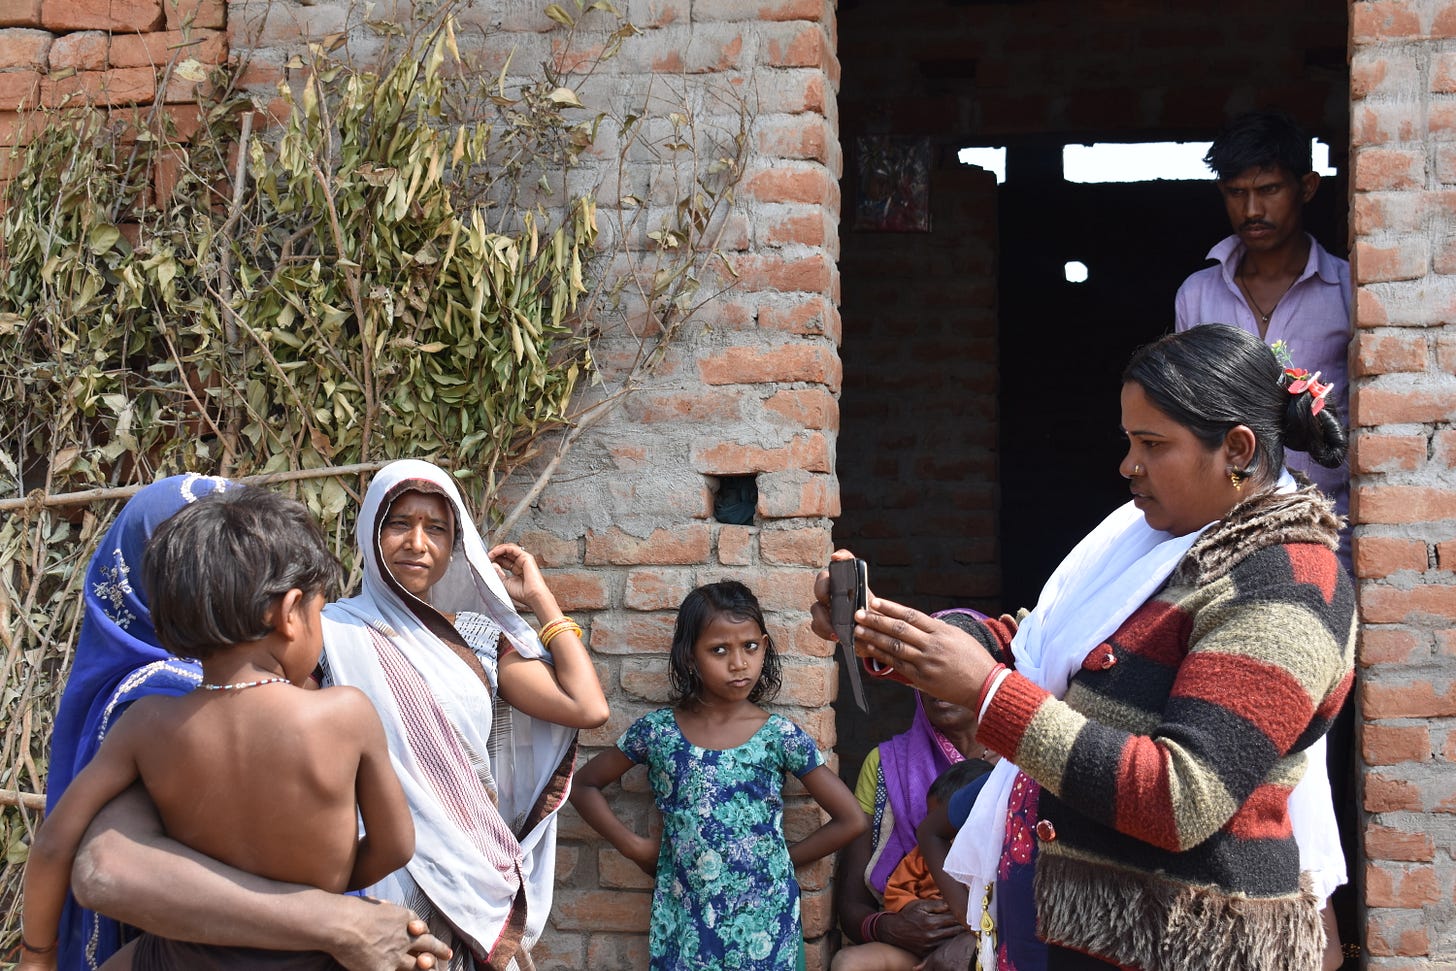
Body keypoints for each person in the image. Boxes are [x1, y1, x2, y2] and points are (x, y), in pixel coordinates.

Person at [813, 324, 1356, 971]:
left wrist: (986, 692)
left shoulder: (1287, 583)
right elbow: (1039, 642)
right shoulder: (1151, 542)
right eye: (1131, 441)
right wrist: (888, 633)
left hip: (1194, 942)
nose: (1129, 465)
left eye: (1152, 444)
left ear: (1236, 448)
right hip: (1092, 927)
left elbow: (1183, 797)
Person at [61, 458, 608, 971]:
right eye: (399, 524)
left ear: (456, 542)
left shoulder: (478, 636)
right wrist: (331, 895)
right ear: (369, 533)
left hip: (475, 866)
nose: (417, 543)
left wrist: (540, 602)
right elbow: (265, 740)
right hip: (383, 882)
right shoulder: (331, 633)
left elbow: (587, 707)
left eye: (436, 529)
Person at [45, 473, 448, 971]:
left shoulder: (145, 722)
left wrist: (37, 956)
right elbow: (396, 845)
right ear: (290, 612)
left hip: (180, 957)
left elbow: (56, 842)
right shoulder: (344, 712)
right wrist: (322, 892)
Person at [569, 580, 867, 970]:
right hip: (686, 920)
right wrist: (633, 846)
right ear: (690, 657)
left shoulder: (778, 737)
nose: (739, 663)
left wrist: (777, 860)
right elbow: (584, 784)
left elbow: (852, 819)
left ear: (764, 645)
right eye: (719, 650)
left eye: (750, 647)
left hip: (766, 925)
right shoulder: (659, 732)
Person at [1173, 108, 1351, 568]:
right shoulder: (1197, 295)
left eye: (1268, 190)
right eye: (1237, 193)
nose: (1252, 210)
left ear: (1306, 188)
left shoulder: (1349, 290)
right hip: (1221, 532)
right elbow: (1183, 418)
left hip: (1326, 527)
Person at [833, 611, 1000, 971]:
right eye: (924, 672)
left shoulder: (1019, 766)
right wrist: (892, 927)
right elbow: (851, 907)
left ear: (986, 675)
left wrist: (970, 941)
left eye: (954, 672)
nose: (938, 686)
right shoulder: (886, 764)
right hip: (909, 942)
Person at [832, 759, 993, 971]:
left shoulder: (998, 857)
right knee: (848, 962)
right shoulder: (923, 856)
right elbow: (897, 890)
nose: (947, 836)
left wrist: (974, 935)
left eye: (951, 825)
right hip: (921, 947)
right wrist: (913, 911)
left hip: (979, 951)